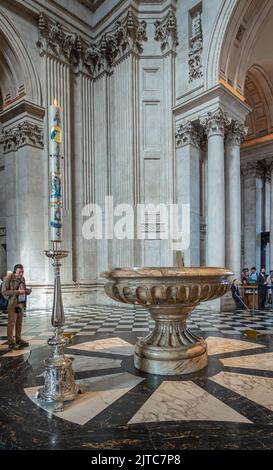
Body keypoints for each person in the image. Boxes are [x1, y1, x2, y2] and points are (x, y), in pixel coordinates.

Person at [2, 264, 32, 351]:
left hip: (21, 303)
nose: (21, 274)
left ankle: (18, 339)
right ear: (15, 271)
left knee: (19, 323)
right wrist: (17, 292)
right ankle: (11, 342)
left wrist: (27, 291)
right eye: (19, 272)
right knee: (11, 323)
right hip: (12, 304)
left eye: (22, 272)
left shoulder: (22, 279)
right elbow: (4, 292)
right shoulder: (8, 278)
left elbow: (23, 289)